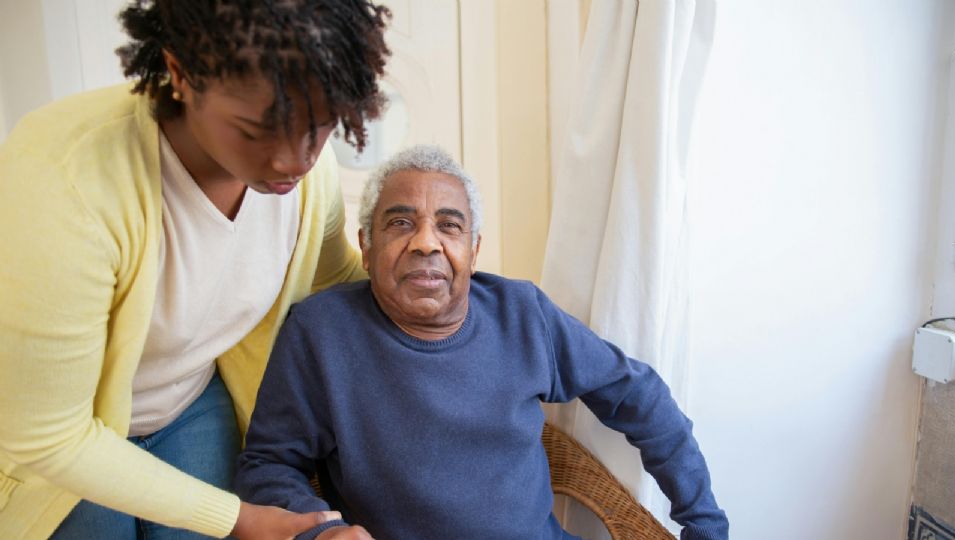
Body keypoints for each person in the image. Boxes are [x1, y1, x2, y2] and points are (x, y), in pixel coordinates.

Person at [0, 1, 392, 538]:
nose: (294, 161)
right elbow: (46, 434)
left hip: (191, 401)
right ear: (180, 72)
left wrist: (457, 317)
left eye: (320, 128)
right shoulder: (66, 179)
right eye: (256, 131)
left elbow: (333, 280)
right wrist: (238, 519)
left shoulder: (310, 180)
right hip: (59, 438)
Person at [234, 145, 730, 540]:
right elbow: (267, 466)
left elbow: (639, 396)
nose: (426, 242)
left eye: (449, 226)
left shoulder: (523, 313)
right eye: (400, 222)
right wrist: (322, 532)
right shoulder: (321, 332)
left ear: (473, 252)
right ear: (366, 247)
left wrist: (703, 522)